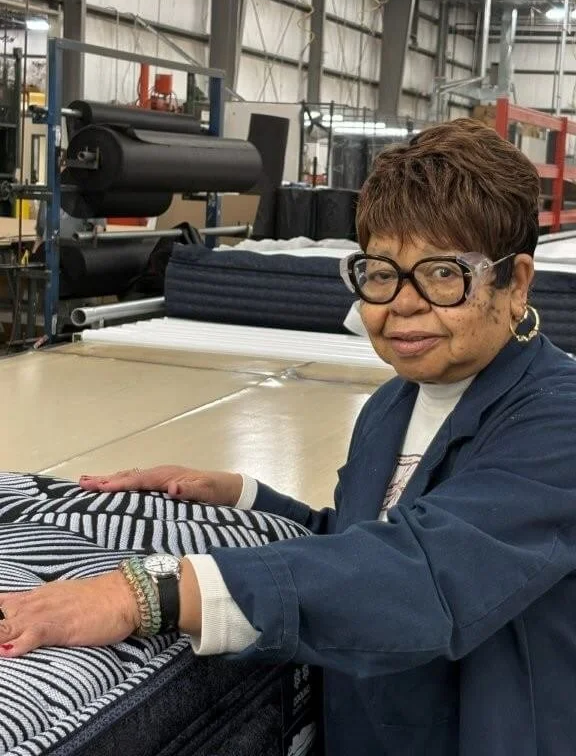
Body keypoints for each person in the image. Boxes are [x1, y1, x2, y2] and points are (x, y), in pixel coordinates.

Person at [2, 118, 576, 756]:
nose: (402, 305)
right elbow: (367, 539)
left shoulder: (556, 421)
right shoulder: (392, 406)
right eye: (381, 272)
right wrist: (245, 499)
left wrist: (151, 592)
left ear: (516, 281)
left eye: (443, 275)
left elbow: (426, 578)